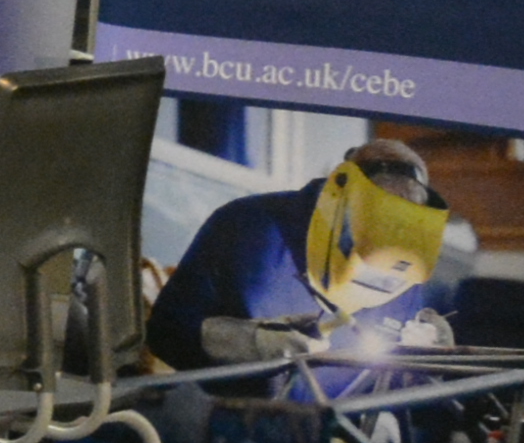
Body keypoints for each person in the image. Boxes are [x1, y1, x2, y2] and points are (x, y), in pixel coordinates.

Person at [147, 133, 455, 368]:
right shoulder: (246, 225)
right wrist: (251, 343)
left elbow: (406, 392)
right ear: (340, 195)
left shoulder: (409, 273)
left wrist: (434, 362)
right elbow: (165, 333)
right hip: (237, 427)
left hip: (340, 438)